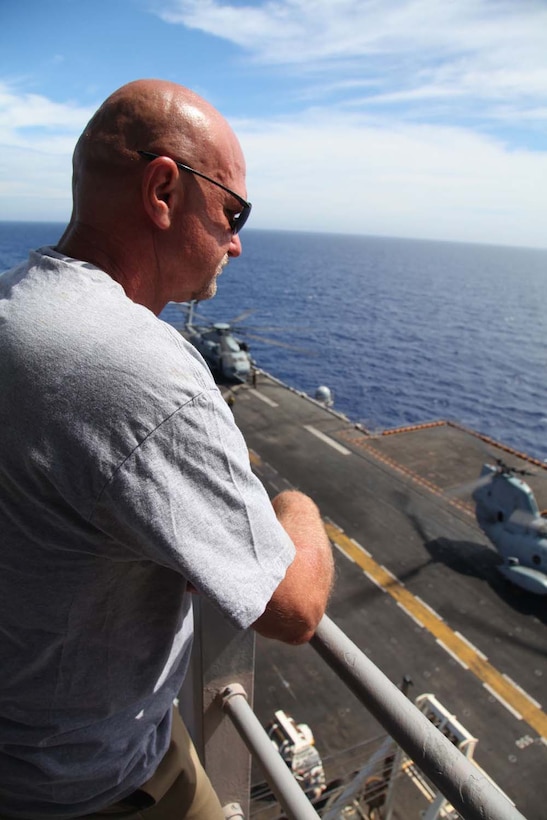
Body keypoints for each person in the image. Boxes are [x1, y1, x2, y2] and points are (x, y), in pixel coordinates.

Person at [0, 79, 334, 819]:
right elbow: (294, 608)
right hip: (83, 783)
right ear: (161, 191)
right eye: (231, 211)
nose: (237, 241)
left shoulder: (13, 300)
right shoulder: (140, 367)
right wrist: (295, 504)